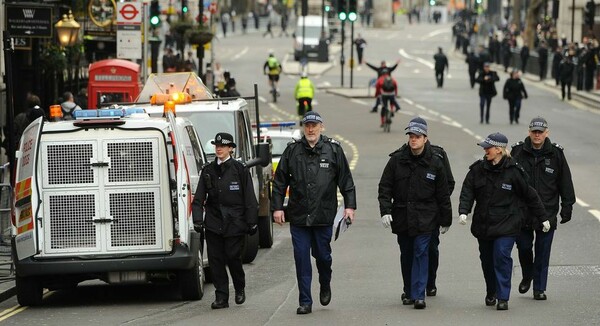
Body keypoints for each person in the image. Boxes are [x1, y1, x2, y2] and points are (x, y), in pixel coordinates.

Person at [271, 111, 357, 315]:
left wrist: (349, 206)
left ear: (321, 127)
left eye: (314, 125)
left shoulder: (333, 150)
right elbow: (279, 182)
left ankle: (325, 283)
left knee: (323, 257)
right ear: (303, 127)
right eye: (307, 125)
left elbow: (346, 180)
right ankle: (305, 301)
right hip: (299, 216)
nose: (310, 129)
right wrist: (276, 208)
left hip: (323, 215)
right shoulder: (292, 151)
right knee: (301, 259)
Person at [458, 132, 550, 311]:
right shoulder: (478, 169)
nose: (485, 151)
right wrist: (463, 211)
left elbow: (530, 195)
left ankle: (502, 297)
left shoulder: (514, 171)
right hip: (484, 225)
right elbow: (467, 190)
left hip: (507, 225)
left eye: (488, 148)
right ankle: (491, 290)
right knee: (487, 260)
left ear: (499, 150)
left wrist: (543, 217)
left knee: (501, 257)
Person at [378, 117, 452, 310]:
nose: (413, 139)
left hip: (427, 216)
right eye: (411, 136)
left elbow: (444, 192)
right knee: (407, 254)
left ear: (425, 138)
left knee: (421, 252)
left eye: (417, 136)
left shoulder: (436, 162)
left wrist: (446, 219)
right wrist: (385, 210)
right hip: (403, 215)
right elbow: (385, 187)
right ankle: (409, 291)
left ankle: (419, 295)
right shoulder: (397, 160)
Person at [511, 117, 575, 301]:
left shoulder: (556, 154)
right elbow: (508, 178)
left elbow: (565, 182)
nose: (537, 135)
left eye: (540, 132)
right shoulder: (518, 152)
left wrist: (567, 206)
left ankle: (539, 288)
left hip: (547, 212)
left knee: (543, 252)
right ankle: (527, 274)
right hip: (522, 211)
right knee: (523, 248)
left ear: (547, 133)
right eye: (534, 132)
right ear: (529, 132)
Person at [192, 132, 258, 310]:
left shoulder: (239, 169)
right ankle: (221, 296)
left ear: (231, 148)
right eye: (217, 146)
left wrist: (252, 221)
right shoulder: (208, 170)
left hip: (235, 223)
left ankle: (239, 287)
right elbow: (198, 199)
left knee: (233, 257)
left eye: (223, 146)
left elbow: (249, 197)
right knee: (215, 261)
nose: (219, 149)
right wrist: (197, 219)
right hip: (214, 223)